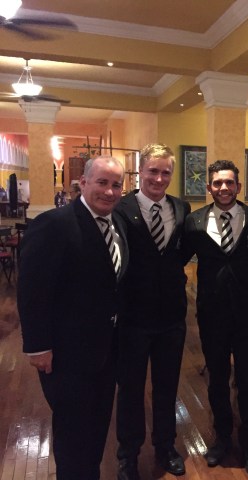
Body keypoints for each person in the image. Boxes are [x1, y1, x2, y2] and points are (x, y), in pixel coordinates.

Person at [17, 156, 128, 479]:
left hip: (107, 350)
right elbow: (33, 290)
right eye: (102, 182)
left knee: (97, 428)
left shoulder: (117, 224)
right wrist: (38, 346)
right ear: (83, 183)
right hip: (68, 354)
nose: (109, 191)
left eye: (116, 185)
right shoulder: (54, 224)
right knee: (72, 433)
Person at [182, 160, 248, 478]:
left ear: (238, 186)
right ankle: (222, 439)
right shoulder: (194, 222)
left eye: (229, 182)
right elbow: (177, 258)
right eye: (217, 183)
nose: (224, 188)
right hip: (212, 314)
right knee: (217, 379)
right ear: (209, 187)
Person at [114, 144, 191, 479]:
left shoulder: (181, 208)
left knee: (167, 387)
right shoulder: (120, 208)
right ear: (140, 172)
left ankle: (165, 446)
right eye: (153, 171)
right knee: (130, 390)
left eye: (165, 172)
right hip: (132, 317)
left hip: (172, 316)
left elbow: (178, 255)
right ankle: (128, 455)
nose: (159, 178)